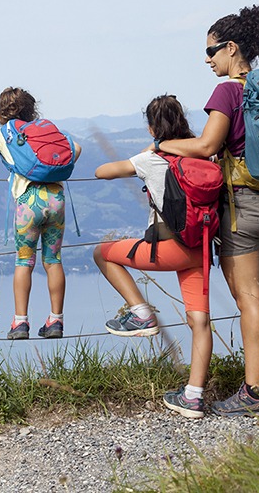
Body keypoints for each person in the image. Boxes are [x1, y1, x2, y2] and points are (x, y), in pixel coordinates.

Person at [158, 5, 259, 417]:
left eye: (210, 51)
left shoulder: (229, 91)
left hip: (243, 206)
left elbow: (207, 145)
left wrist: (163, 147)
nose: (206, 59)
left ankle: (254, 393)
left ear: (231, 47)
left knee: (249, 297)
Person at [93, 94, 212, 419]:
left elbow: (102, 172)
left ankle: (141, 312)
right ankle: (193, 397)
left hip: (168, 248)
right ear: (183, 121)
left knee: (102, 253)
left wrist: (149, 151)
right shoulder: (205, 153)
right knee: (199, 321)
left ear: (150, 127)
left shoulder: (152, 157)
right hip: (199, 248)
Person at [0, 87, 81, 340]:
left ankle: (20, 323)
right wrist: (52, 171)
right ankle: (55, 322)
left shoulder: (4, 133)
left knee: (24, 261)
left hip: (29, 202)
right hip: (56, 200)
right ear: (31, 110)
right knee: (53, 260)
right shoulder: (45, 131)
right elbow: (76, 148)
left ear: (1, 112)